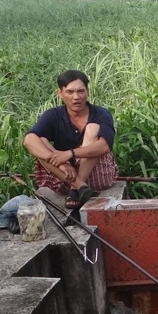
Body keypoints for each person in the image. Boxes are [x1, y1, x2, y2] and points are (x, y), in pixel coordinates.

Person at [24, 70, 119, 210]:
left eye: (81, 91)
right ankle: (80, 187)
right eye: (70, 92)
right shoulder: (53, 115)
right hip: (63, 176)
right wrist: (59, 162)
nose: (76, 97)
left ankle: (75, 190)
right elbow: (28, 140)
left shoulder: (101, 113)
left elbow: (104, 146)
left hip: (96, 175)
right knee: (40, 140)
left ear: (87, 91)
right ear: (60, 93)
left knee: (92, 129)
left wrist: (70, 153)